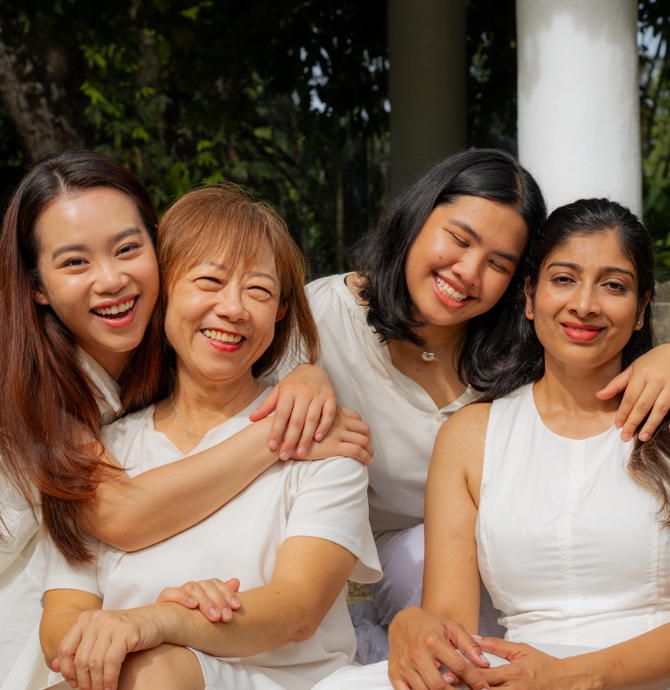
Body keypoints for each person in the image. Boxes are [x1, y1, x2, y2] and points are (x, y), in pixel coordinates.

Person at [277, 149, 670, 660]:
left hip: (523, 571)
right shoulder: (324, 320)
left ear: (516, 286)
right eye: (459, 239)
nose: (467, 271)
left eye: (498, 264)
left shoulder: (524, 346)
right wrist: (303, 376)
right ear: (418, 217)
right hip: (394, 561)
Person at [0, 151, 370, 689]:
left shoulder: (138, 374)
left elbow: (298, 607)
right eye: (75, 261)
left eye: (127, 249)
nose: (110, 278)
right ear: (37, 285)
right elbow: (120, 517)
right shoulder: (44, 393)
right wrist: (279, 433)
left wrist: (307, 384)